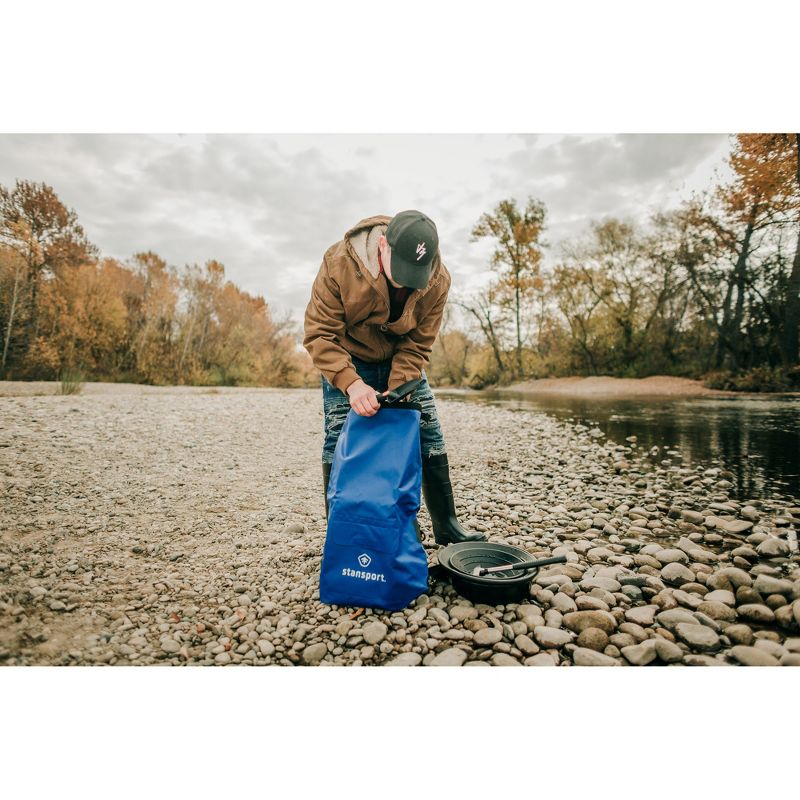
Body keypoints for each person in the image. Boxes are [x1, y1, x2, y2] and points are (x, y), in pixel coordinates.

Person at [303, 209, 486, 545]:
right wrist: (352, 383)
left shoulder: (438, 279)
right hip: (347, 358)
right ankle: (340, 534)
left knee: (427, 430)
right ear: (383, 244)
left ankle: (447, 524)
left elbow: (419, 343)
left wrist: (399, 388)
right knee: (340, 437)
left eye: (414, 273)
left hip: (401, 360)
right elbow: (319, 334)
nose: (404, 281)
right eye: (400, 270)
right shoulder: (339, 262)